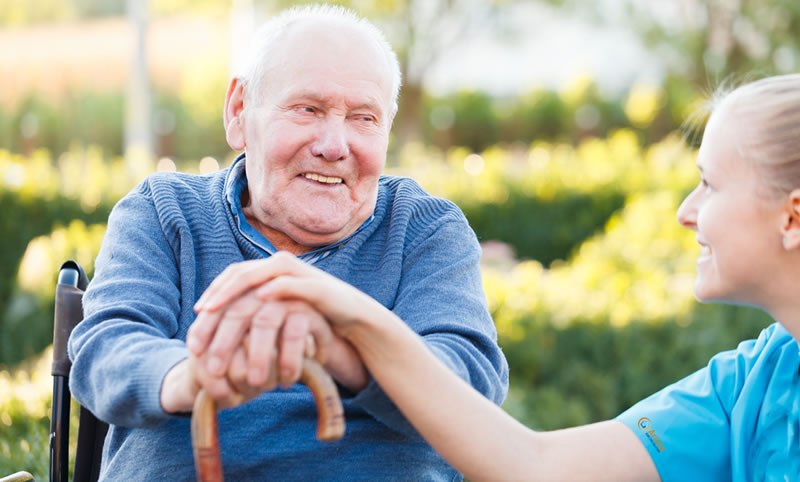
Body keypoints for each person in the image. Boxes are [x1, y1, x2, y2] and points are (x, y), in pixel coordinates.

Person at [194, 74, 800, 481]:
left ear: (792, 215)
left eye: (710, 185)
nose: (685, 211)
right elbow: (531, 465)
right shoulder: (755, 379)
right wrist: (352, 316)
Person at [67, 4, 508, 480]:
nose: (335, 145)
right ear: (239, 111)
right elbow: (105, 349)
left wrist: (339, 348)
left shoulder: (426, 229)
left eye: (363, 118)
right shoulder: (164, 211)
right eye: (308, 109)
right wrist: (190, 376)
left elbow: (471, 385)